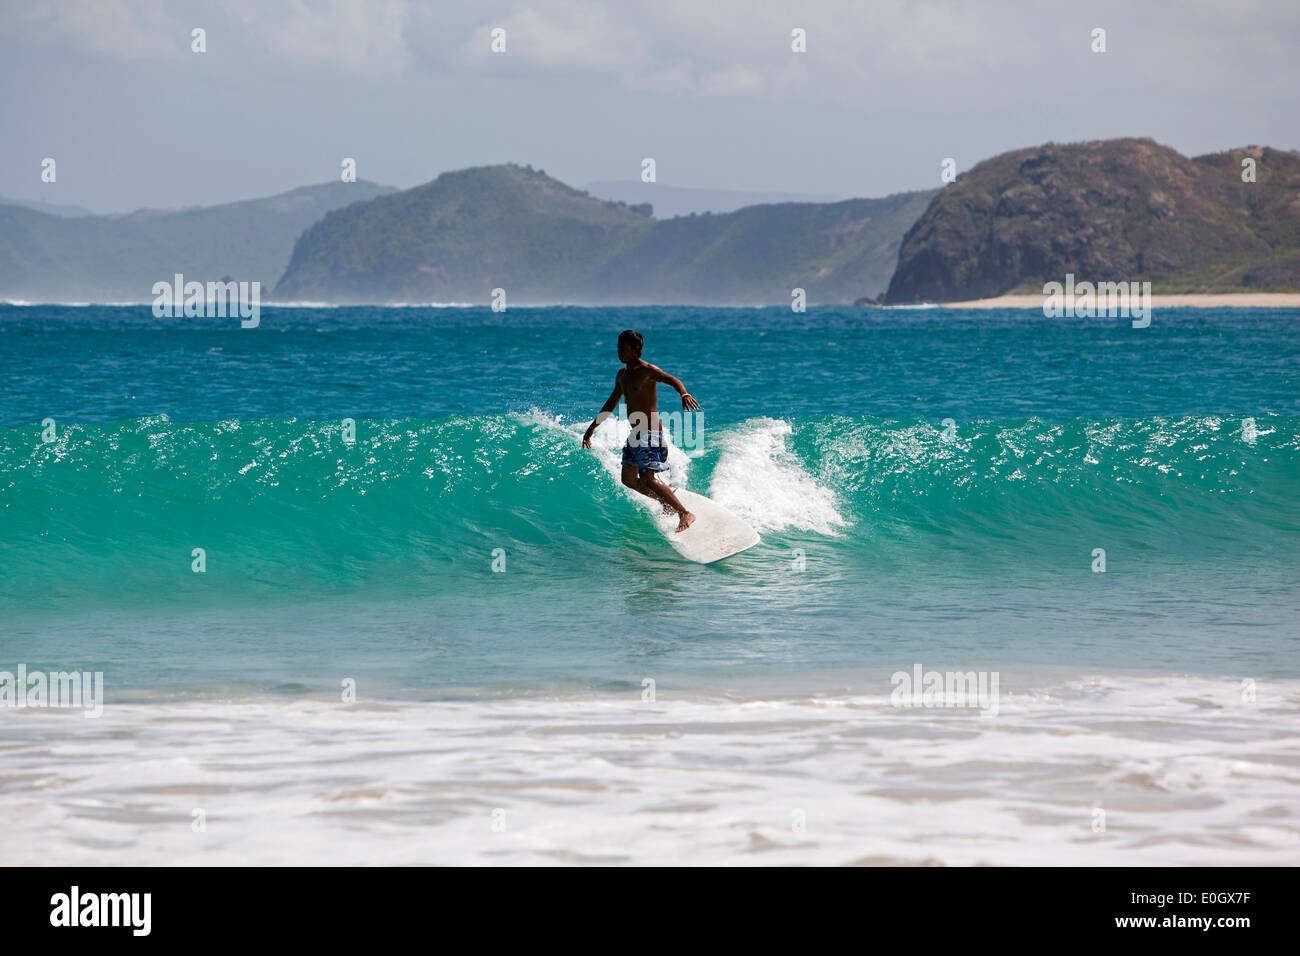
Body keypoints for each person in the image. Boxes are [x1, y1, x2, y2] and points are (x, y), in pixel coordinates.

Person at [582, 329, 700, 532]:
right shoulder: (622, 375)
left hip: (651, 433)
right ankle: (666, 502)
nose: (619, 352)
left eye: (623, 348)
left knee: (647, 478)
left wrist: (684, 393)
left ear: (636, 349)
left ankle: (684, 513)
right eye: (618, 347)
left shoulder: (647, 370)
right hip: (636, 434)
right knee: (628, 480)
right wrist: (591, 429)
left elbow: (672, 380)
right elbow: (610, 403)